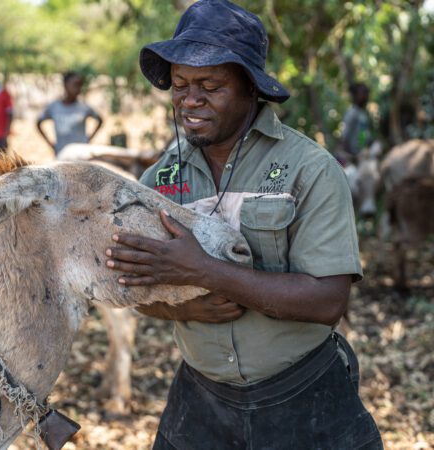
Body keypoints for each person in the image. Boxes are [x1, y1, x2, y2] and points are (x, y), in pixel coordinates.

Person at [104, 1, 382, 449]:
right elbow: (132, 284)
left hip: (301, 398)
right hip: (200, 403)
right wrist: (182, 308)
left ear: (251, 88)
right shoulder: (159, 181)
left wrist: (204, 271)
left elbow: (328, 301)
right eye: (179, 85)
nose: (190, 100)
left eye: (210, 86)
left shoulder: (308, 169)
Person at [37, 71, 103, 155]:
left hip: (81, 156)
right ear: (65, 85)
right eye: (75, 85)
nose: (78, 89)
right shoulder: (54, 107)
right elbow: (38, 122)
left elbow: (100, 120)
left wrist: (88, 139)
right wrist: (51, 144)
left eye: (80, 85)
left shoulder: (84, 107)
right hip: (62, 155)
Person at [341, 82, 374, 163]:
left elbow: (363, 134)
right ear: (355, 96)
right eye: (363, 93)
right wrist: (351, 158)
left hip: (363, 154)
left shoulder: (362, 113)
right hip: (355, 156)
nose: (366, 96)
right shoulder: (352, 113)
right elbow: (345, 136)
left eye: (367, 94)